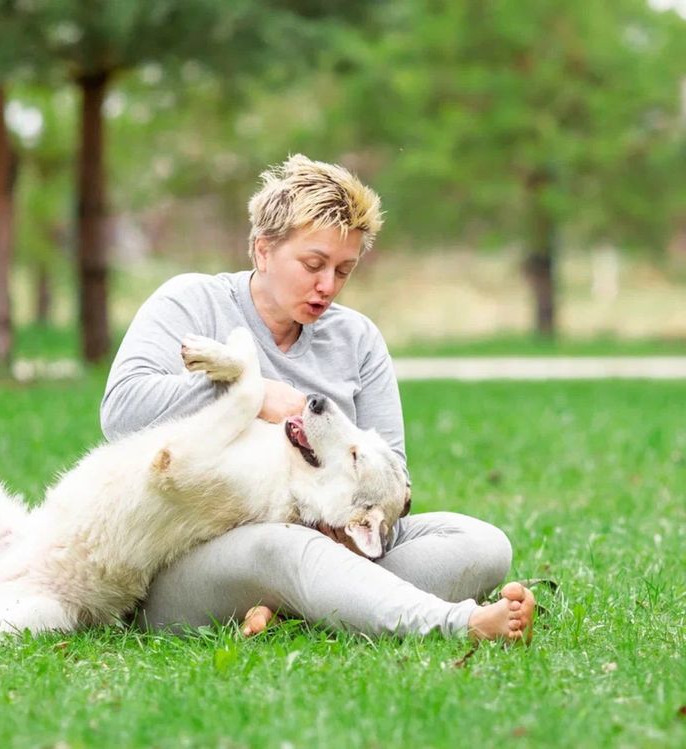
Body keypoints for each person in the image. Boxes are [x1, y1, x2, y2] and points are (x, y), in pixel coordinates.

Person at [100, 154, 535, 642]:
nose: (327, 286)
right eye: (313, 264)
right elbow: (121, 413)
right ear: (263, 250)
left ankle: (301, 607)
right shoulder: (191, 302)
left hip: (333, 547)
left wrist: (353, 530)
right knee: (285, 549)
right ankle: (455, 623)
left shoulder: (358, 339)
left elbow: (393, 480)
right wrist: (250, 393)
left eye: (343, 271)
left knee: (482, 543)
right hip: (195, 554)